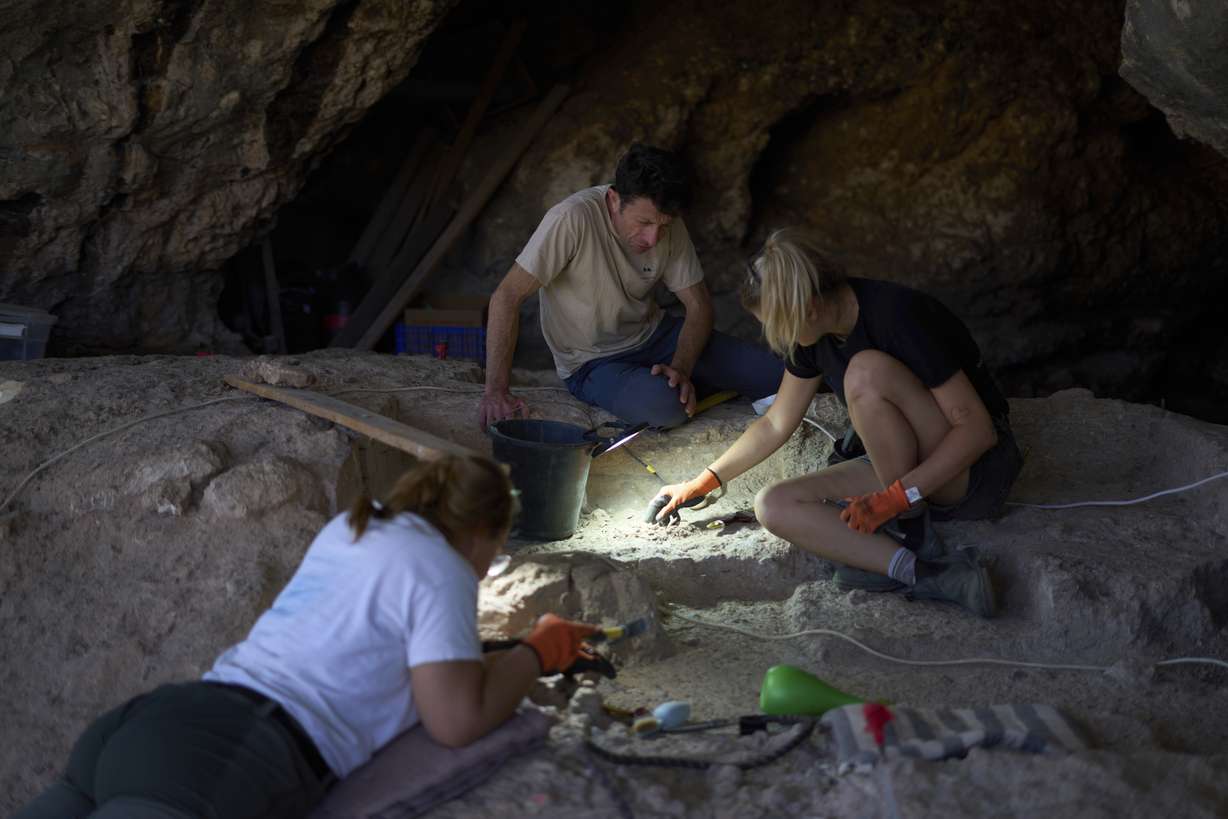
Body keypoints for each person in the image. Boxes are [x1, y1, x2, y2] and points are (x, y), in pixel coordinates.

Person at [17, 455, 598, 818]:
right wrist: (535, 651)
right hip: (232, 759)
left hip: (152, 725)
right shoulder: (443, 566)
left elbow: (376, 648)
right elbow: (455, 722)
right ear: (483, 532)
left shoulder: (357, 525)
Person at [650, 228, 1023, 618]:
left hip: (968, 473)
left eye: (781, 326)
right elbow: (777, 422)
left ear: (809, 308)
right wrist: (706, 480)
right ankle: (924, 572)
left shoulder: (896, 315)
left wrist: (894, 500)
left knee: (865, 372)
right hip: (902, 469)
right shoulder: (816, 332)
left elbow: (977, 430)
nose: (778, 338)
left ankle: (906, 526)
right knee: (773, 504)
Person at [479, 142, 784, 430]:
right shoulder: (572, 218)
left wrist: (681, 368)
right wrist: (496, 391)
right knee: (665, 407)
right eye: (643, 223)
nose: (652, 238)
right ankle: (679, 387)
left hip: (656, 337)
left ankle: (683, 382)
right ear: (614, 200)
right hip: (592, 361)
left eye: (662, 226)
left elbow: (698, 304)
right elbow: (507, 296)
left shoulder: (667, 223)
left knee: (778, 376)